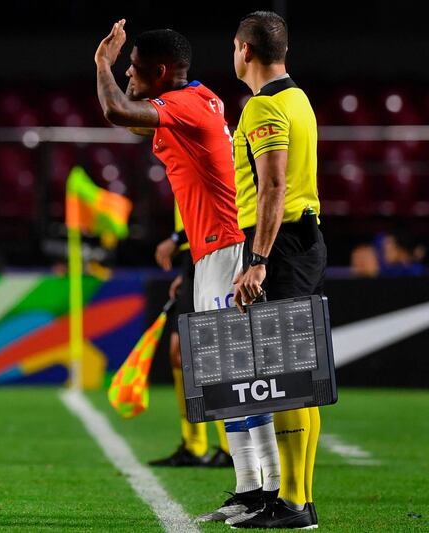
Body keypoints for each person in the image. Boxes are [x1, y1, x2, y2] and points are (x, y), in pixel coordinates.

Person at [94, 19, 280, 519]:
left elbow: (116, 110)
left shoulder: (187, 105)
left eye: (133, 70)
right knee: (228, 376)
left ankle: (269, 490)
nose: (127, 77)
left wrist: (100, 65)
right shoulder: (196, 98)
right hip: (211, 251)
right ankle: (251, 489)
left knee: (237, 376)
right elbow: (134, 118)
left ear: (159, 73)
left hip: (224, 250)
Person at [228, 11, 325, 528]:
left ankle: (291, 504)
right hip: (303, 238)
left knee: (284, 380)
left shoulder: (264, 107)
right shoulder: (299, 99)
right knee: (299, 380)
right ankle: (296, 497)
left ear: (245, 49)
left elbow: (272, 186)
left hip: (280, 245)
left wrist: (258, 260)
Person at [147, 204, 232, 468]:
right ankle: (195, 445)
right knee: (180, 353)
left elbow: (215, 201)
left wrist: (175, 239)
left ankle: (233, 446)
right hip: (194, 255)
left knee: (210, 351)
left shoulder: (193, 160)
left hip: (214, 250)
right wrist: (186, 271)